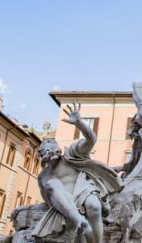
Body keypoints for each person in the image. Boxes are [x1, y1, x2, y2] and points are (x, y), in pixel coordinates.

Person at [30, 103, 122, 243]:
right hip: (66, 203)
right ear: (42, 156)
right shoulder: (44, 177)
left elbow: (91, 140)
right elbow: (47, 200)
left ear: (59, 150)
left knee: (94, 206)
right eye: (47, 151)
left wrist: (79, 123)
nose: (51, 153)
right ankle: (79, 220)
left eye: (54, 149)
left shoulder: (71, 154)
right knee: (52, 184)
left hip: (84, 190)